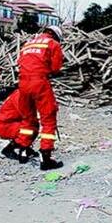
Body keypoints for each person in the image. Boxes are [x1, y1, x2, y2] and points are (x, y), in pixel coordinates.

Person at [14, 26, 64, 170]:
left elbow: (20, 63)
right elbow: (55, 68)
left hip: (23, 83)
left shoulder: (28, 44)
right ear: (55, 35)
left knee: (28, 118)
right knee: (48, 118)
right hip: (39, 82)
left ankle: (23, 150)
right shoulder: (53, 44)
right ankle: (46, 156)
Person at [0, 89, 38, 163]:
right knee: (29, 128)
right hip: (5, 126)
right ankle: (22, 150)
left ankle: (13, 148)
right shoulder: (21, 96)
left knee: (34, 126)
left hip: (12, 123)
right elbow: (27, 119)